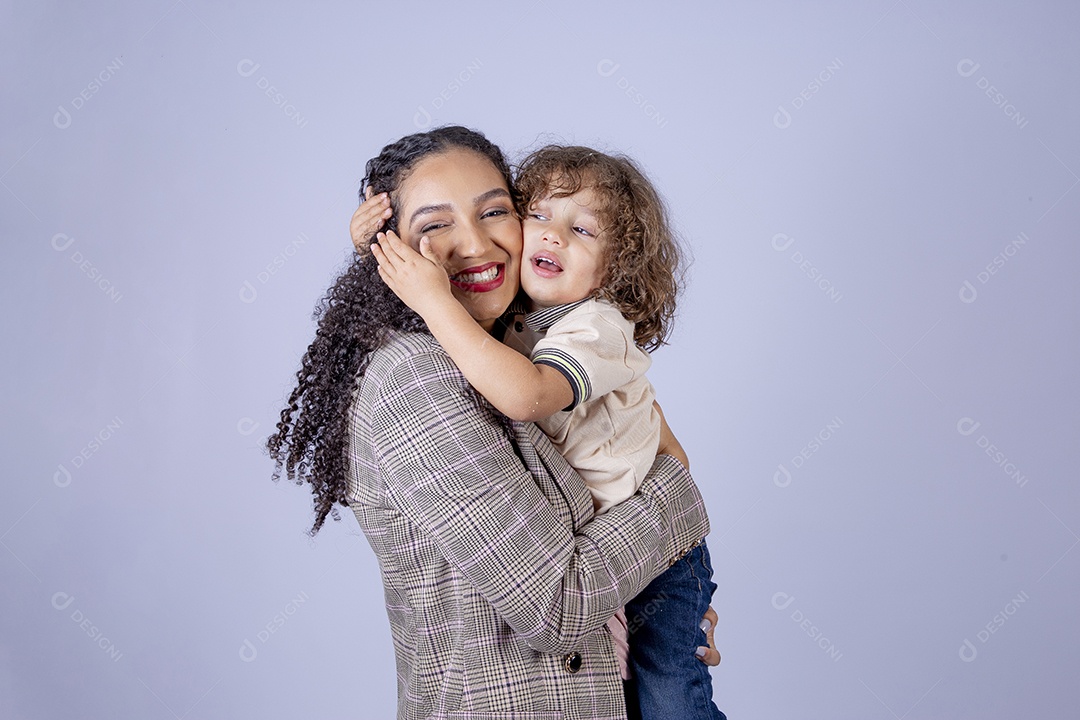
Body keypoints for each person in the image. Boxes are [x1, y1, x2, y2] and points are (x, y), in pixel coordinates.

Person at [268, 126, 715, 720]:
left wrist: (658, 609)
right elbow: (557, 604)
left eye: (495, 211)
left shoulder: (510, 340)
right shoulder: (416, 379)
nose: (476, 244)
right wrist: (674, 503)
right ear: (393, 253)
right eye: (434, 225)